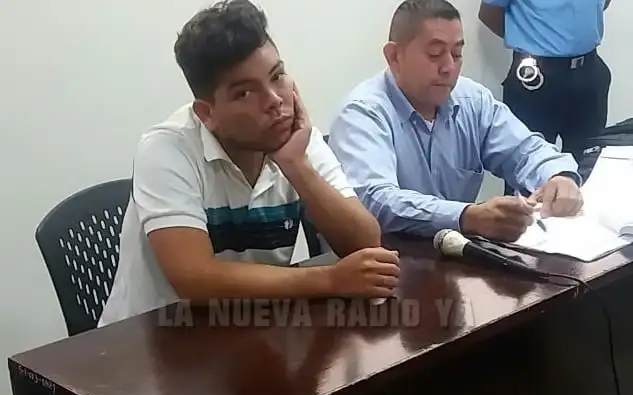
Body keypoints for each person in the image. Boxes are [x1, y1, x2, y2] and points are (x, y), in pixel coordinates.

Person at [99, 0, 399, 327]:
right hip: (153, 339)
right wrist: (328, 280)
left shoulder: (296, 139)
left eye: (277, 76)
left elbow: (365, 242)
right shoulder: (166, 148)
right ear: (207, 113)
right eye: (245, 93)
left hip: (248, 326)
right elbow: (194, 278)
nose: (274, 101)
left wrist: (296, 166)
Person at [327, 0, 583, 244]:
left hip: (456, 254)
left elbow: (524, 150)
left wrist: (558, 176)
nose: (449, 67)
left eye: (457, 53)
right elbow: (376, 200)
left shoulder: (472, 100)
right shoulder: (362, 113)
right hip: (384, 260)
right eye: (435, 54)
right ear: (394, 56)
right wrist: (466, 216)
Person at [478, 0, 613, 195]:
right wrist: (528, 37)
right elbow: (490, 13)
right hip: (535, 78)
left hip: (588, 71)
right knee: (526, 168)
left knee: (588, 166)